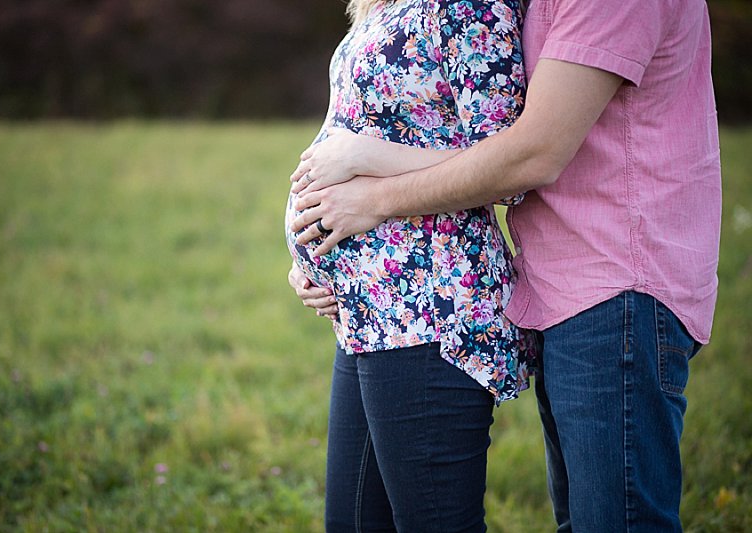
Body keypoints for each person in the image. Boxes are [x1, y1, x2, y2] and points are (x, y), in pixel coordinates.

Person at [290, 0, 721, 531]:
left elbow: (528, 153)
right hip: (553, 283)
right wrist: (313, 249)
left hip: (611, 282)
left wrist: (369, 192)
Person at [284, 0, 533, 530]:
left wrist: (364, 158)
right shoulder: (386, 4)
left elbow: (508, 161)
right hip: (366, 311)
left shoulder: (472, 7)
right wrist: (311, 257)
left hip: (429, 307)